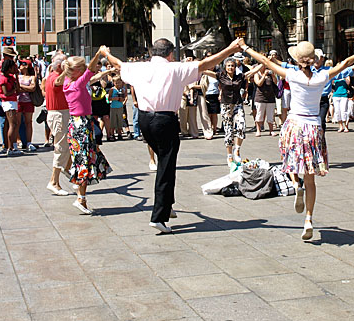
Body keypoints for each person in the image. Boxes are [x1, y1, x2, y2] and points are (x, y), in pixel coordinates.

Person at [104, 38, 242, 234]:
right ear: (169, 54)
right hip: (164, 120)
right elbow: (205, 64)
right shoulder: (175, 68)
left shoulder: (139, 67)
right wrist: (230, 48)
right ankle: (159, 216)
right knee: (166, 168)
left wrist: (105, 53)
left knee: (164, 161)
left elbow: (117, 64)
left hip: (144, 120)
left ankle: (167, 205)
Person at [238, 39, 354, 240]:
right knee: (311, 178)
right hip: (313, 127)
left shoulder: (292, 75)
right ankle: (308, 218)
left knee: (289, 160)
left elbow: (265, 61)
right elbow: (344, 63)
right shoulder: (322, 77)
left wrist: (245, 48)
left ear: (297, 59)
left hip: (294, 124)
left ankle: (295, 185)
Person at [57, 47, 112, 214]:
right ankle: (81, 198)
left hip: (78, 123)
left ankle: (77, 186)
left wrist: (106, 71)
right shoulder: (78, 84)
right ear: (78, 71)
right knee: (84, 161)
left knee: (84, 159)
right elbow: (89, 71)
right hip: (82, 125)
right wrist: (99, 53)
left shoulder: (68, 82)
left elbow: (91, 75)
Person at [203, 59, 260, 163]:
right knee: (228, 130)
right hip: (226, 105)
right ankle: (229, 155)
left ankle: (237, 150)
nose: (230, 67)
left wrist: (265, 63)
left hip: (238, 104)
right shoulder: (220, 76)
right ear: (225, 67)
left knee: (241, 126)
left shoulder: (240, 77)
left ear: (235, 67)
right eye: (228, 65)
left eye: (232, 65)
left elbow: (253, 71)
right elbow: (204, 71)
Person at [43, 53, 71, 195]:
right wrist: (67, 69)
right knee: (61, 147)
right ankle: (54, 181)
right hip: (59, 114)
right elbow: (58, 82)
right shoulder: (55, 76)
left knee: (66, 146)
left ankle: (68, 169)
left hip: (61, 113)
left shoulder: (51, 75)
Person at [0, 58, 23, 156]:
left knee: (14, 124)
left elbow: (18, 88)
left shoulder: (11, 77)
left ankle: (12, 145)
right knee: (12, 124)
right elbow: (6, 93)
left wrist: (16, 76)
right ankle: (10, 147)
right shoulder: (3, 78)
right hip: (8, 102)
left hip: (12, 101)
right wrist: (13, 90)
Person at [17, 60, 37, 151]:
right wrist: (26, 88)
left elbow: (33, 88)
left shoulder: (32, 77)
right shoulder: (17, 76)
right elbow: (16, 88)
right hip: (18, 101)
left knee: (28, 122)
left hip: (28, 101)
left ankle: (29, 142)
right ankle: (18, 140)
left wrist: (21, 87)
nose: (20, 65)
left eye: (22, 64)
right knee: (17, 122)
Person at [253, 65, 278, 136]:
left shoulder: (270, 74)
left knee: (270, 115)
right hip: (260, 98)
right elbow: (259, 83)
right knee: (259, 114)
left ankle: (271, 130)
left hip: (270, 98)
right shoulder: (257, 74)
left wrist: (273, 75)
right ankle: (258, 130)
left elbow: (275, 83)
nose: (264, 68)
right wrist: (264, 75)